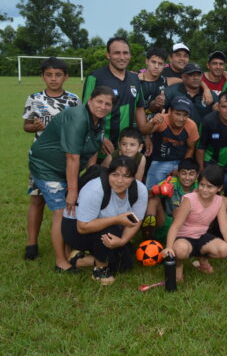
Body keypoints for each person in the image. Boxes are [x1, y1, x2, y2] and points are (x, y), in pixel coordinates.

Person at [28, 86, 113, 272]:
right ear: (90, 101)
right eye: (99, 102)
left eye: (108, 104)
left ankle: (69, 251)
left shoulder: (99, 119)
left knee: (72, 209)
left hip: (66, 169)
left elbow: (92, 148)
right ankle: (61, 262)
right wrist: (73, 191)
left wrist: (89, 179)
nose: (103, 106)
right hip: (47, 167)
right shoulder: (78, 118)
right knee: (62, 210)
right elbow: (72, 157)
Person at [22, 57, 80, 260]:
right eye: (49, 75)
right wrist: (34, 127)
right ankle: (31, 243)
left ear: (66, 76)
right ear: (43, 76)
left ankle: (66, 242)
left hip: (66, 158)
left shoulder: (73, 100)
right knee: (37, 199)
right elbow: (26, 125)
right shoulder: (34, 98)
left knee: (65, 201)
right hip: (41, 159)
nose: (53, 79)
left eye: (58, 75)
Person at [61, 157, 148, 285]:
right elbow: (82, 227)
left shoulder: (140, 190)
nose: (120, 181)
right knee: (111, 230)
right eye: (115, 174)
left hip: (107, 227)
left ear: (133, 178)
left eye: (126, 176)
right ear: (108, 173)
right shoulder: (95, 189)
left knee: (126, 263)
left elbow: (136, 220)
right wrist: (117, 219)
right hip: (76, 229)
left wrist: (122, 241)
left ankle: (79, 259)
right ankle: (100, 270)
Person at [163, 165, 227, 282]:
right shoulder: (189, 199)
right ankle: (178, 265)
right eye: (202, 185)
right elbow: (175, 226)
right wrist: (169, 247)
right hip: (183, 237)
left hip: (201, 236)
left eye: (210, 187)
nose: (205, 189)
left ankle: (202, 259)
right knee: (180, 250)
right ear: (198, 183)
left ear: (219, 188)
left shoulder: (219, 201)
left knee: (224, 250)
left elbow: (225, 227)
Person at [82, 36, 147, 155]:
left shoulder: (135, 79)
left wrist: (146, 136)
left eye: (125, 53)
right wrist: (100, 137)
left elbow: (139, 108)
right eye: (117, 53)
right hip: (100, 148)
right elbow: (86, 111)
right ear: (108, 55)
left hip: (126, 148)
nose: (122, 57)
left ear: (130, 55)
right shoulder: (95, 77)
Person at [142, 97, 199, 187]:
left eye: (185, 115)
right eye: (178, 114)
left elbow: (190, 149)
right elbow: (144, 131)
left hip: (180, 162)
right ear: (170, 111)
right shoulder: (162, 120)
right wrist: (152, 121)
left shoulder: (191, 126)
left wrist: (182, 168)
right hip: (159, 161)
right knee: (151, 192)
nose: (181, 118)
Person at [145, 158, 199, 242]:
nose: (187, 178)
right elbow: (146, 195)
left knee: (179, 212)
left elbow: (215, 197)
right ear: (178, 173)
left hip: (189, 226)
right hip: (167, 222)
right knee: (153, 200)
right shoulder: (172, 182)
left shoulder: (200, 187)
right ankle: (148, 234)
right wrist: (157, 190)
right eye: (183, 173)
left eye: (191, 174)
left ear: (197, 175)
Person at [163, 62, 216, 127]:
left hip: (202, 134)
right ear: (183, 76)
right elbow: (158, 109)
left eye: (199, 75)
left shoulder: (209, 94)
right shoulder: (171, 91)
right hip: (176, 134)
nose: (196, 78)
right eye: (191, 75)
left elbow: (220, 110)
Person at [138, 47, 168, 121]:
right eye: (153, 62)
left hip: (155, 127)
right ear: (147, 61)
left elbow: (182, 79)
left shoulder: (164, 81)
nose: (156, 66)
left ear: (164, 65)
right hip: (133, 126)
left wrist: (202, 85)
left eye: (160, 63)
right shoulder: (135, 78)